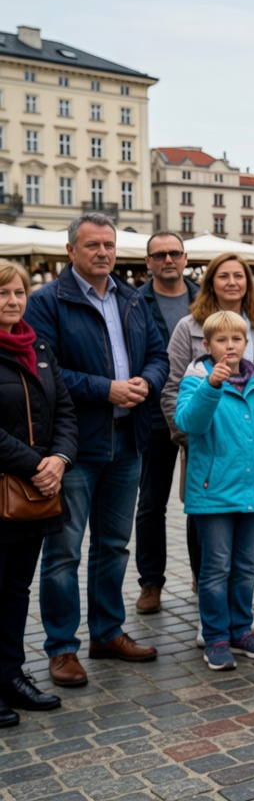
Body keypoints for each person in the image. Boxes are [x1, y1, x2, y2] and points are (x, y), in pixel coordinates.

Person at [26, 213, 169, 689]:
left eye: (109, 244)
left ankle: (107, 632)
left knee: (113, 545)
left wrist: (146, 383)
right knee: (64, 551)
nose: (103, 252)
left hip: (128, 440)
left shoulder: (132, 298)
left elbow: (159, 355)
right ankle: (61, 648)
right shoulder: (48, 301)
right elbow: (45, 371)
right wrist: (105, 389)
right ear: (71, 251)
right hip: (75, 445)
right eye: (92, 245)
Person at [161, 252, 254, 634]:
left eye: (238, 275)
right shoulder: (191, 334)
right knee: (214, 557)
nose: (231, 282)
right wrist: (194, 442)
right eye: (223, 275)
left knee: (244, 562)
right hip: (210, 457)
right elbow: (176, 393)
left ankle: (238, 623)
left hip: (252, 468)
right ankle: (212, 626)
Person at [174, 311, 254, 670]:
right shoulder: (196, 380)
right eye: (221, 340)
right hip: (214, 493)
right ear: (207, 345)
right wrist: (211, 387)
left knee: (246, 567)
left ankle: (241, 630)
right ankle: (216, 637)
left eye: (236, 339)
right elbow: (188, 423)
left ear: (246, 343)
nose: (230, 346)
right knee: (216, 568)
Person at [0, 260, 75, 726]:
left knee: (15, 590)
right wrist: (35, 465)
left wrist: (59, 459)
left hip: (33, 493)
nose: (12, 301)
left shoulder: (37, 346)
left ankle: (10, 675)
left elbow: (64, 409)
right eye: (2, 293)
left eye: (18, 292)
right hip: (11, 485)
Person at [133, 232, 199, 615]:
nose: (168, 259)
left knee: (200, 503)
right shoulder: (134, 302)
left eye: (175, 253)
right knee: (151, 503)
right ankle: (151, 583)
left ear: (185, 257)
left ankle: (201, 575)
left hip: (197, 415)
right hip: (153, 415)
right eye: (159, 255)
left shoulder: (203, 299)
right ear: (148, 262)